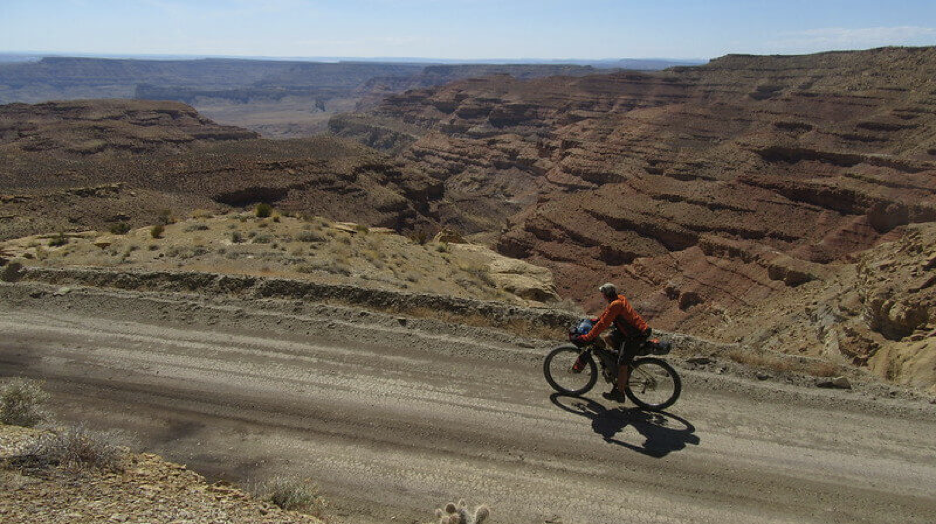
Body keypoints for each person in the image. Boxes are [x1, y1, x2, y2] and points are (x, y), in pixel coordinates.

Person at [573, 283, 651, 402]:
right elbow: (606, 315)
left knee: (622, 365)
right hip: (627, 332)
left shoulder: (616, 304)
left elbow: (604, 324)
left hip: (635, 336)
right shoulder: (619, 298)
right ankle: (616, 360)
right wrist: (595, 320)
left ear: (606, 294)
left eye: (603, 294)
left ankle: (619, 393)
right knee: (608, 338)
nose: (602, 296)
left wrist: (588, 337)